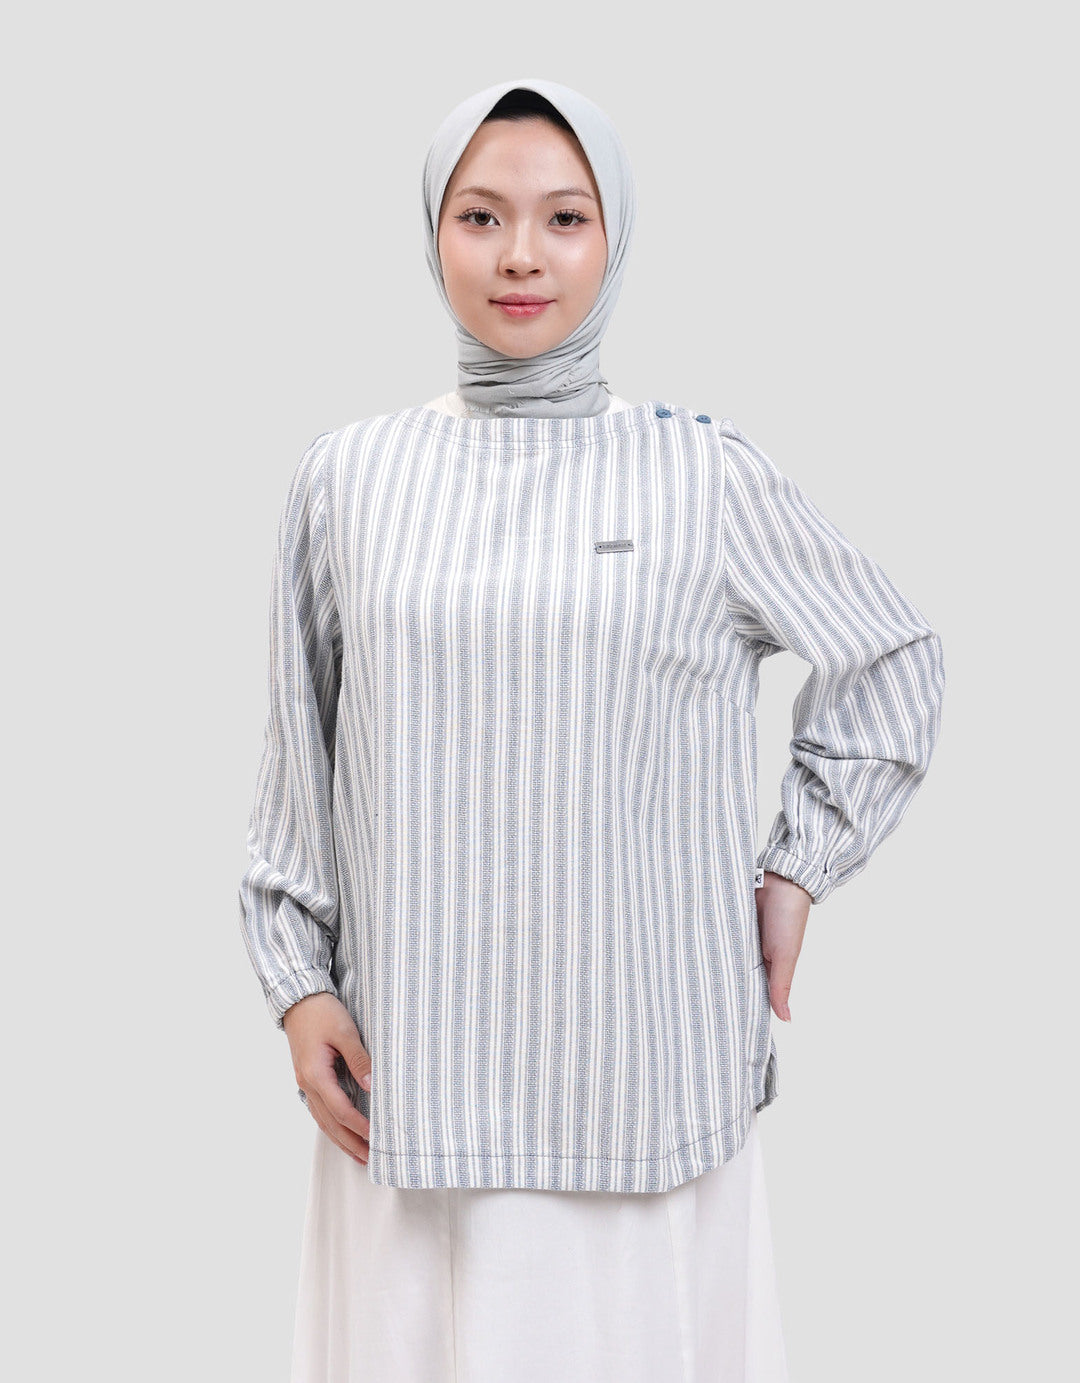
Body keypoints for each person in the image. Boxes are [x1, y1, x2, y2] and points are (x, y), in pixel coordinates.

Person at [238, 76, 946, 1383]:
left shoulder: (701, 473)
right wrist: (300, 985)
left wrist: (796, 870)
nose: (521, 255)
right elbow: (302, 758)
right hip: (411, 1077)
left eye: (565, 217)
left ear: (615, 235)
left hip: (647, 1078)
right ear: (432, 233)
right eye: (481, 216)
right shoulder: (347, 479)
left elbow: (891, 655)